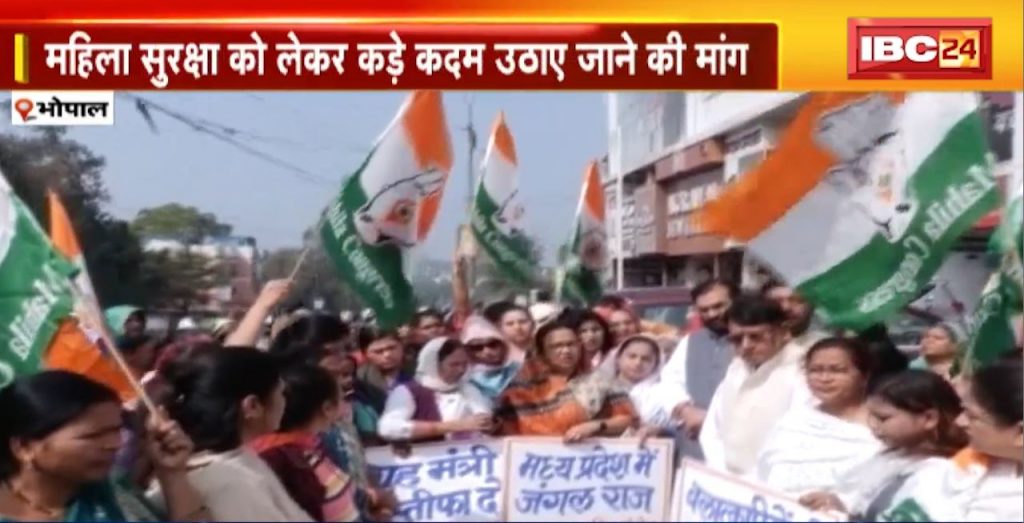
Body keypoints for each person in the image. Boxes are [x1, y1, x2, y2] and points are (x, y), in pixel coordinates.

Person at [0, 371, 210, 522]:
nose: (115, 444)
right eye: (92, 436)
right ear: (24, 447)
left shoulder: (111, 488)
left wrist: (172, 474)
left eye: (116, 430)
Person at [158, 347, 313, 521]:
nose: (285, 401)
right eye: (282, 393)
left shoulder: (230, 462)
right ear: (252, 406)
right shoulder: (227, 483)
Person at [800, 370, 968, 521]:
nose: (873, 425)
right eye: (871, 416)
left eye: (883, 418)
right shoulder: (892, 455)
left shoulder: (939, 474)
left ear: (929, 418)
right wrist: (838, 506)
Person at [873, 353, 1023, 521]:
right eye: (963, 410)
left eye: (972, 416)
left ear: (1020, 433)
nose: (960, 422)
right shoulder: (971, 464)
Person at [699, 294, 814, 476]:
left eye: (756, 337)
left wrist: (755, 483)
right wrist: (723, 474)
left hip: (773, 487)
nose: (745, 346)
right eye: (737, 339)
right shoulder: (736, 369)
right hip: (726, 483)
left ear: (783, 332)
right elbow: (712, 430)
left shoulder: (803, 371)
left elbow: (798, 441)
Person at [755, 338, 883, 494]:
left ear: (864, 377)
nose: (824, 379)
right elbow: (764, 471)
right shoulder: (794, 421)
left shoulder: (881, 428)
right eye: (815, 370)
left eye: (837, 370)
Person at [495, 319, 637, 440]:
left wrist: (594, 426)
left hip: (586, 459)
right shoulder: (521, 387)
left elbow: (627, 419)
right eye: (557, 346)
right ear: (542, 352)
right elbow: (505, 429)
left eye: (571, 344)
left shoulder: (599, 381)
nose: (566, 351)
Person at [251, 365, 360, 522]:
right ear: (327, 408)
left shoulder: (307, 448)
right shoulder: (280, 461)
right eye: (342, 399)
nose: (344, 407)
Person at [660, 279, 738, 459]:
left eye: (719, 306)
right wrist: (686, 411)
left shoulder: (751, 342)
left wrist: (711, 420)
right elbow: (670, 382)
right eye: (704, 310)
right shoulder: (690, 342)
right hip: (696, 448)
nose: (712, 314)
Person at [378, 338, 494, 443]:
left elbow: (482, 419)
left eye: (464, 364)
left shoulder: (468, 389)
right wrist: (453, 426)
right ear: (433, 364)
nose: (461, 370)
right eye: (454, 365)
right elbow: (388, 428)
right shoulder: (409, 391)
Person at [613, 336, 677, 430]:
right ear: (618, 358)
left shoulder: (664, 393)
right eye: (632, 356)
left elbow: (678, 427)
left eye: (646, 359)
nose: (638, 363)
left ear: (656, 364)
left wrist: (660, 430)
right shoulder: (599, 386)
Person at [461, 315, 523, 401]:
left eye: (492, 344)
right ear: (468, 352)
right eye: (477, 347)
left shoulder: (520, 367)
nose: (487, 351)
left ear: (503, 343)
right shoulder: (468, 382)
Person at [761, 280, 827, 352]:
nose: (785, 307)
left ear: (810, 305)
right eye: (775, 302)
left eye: (795, 300)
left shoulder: (826, 342)